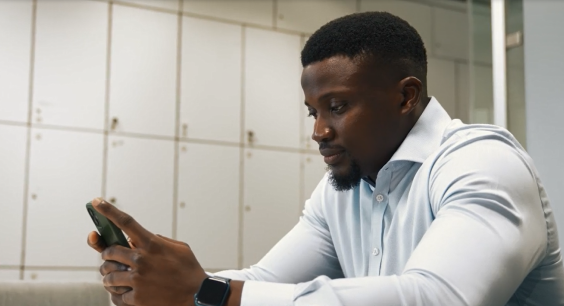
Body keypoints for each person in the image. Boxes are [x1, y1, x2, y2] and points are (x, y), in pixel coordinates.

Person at [87, 12, 564, 306]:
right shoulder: (344, 190)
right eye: (313, 112)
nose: (318, 132)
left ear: (405, 96)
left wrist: (206, 293)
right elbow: (262, 284)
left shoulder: (481, 163)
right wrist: (152, 283)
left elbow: (434, 297)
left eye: (337, 108)